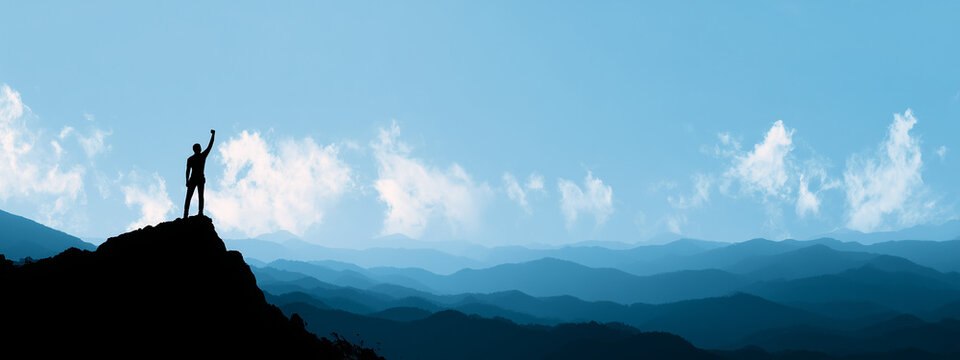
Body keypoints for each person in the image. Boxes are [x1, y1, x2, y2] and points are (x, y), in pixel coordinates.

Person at [183, 129, 215, 218]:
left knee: (195, 196)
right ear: (197, 149)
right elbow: (187, 170)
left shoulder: (194, 158)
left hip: (197, 178)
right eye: (199, 148)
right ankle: (189, 214)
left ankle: (194, 213)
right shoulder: (198, 157)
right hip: (196, 179)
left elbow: (210, 146)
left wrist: (187, 180)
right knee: (194, 196)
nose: (200, 149)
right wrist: (187, 181)